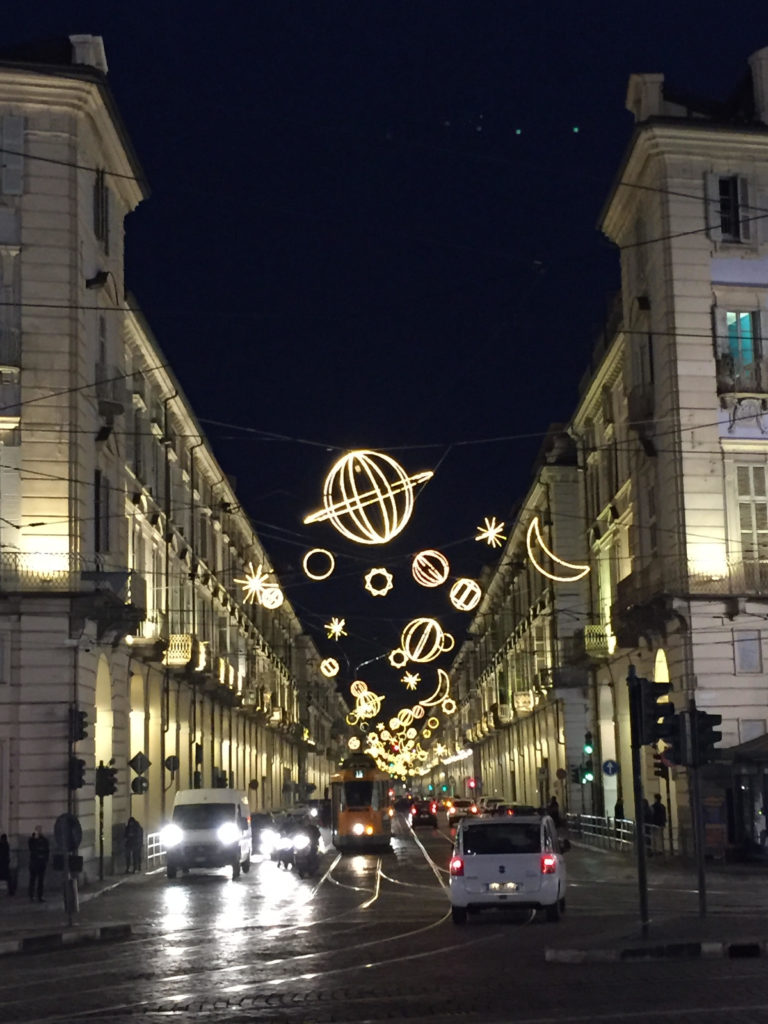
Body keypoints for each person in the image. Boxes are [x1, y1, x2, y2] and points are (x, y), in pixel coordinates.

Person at [28, 825, 49, 901]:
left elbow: (47, 851)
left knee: (40, 881)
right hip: (34, 863)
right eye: (37, 830)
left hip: (41, 863)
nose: (39, 832)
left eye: (40, 830)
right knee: (32, 880)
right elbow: (30, 847)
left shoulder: (44, 840)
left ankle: (40, 896)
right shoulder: (32, 840)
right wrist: (33, 837)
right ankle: (31, 895)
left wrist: (46, 860)